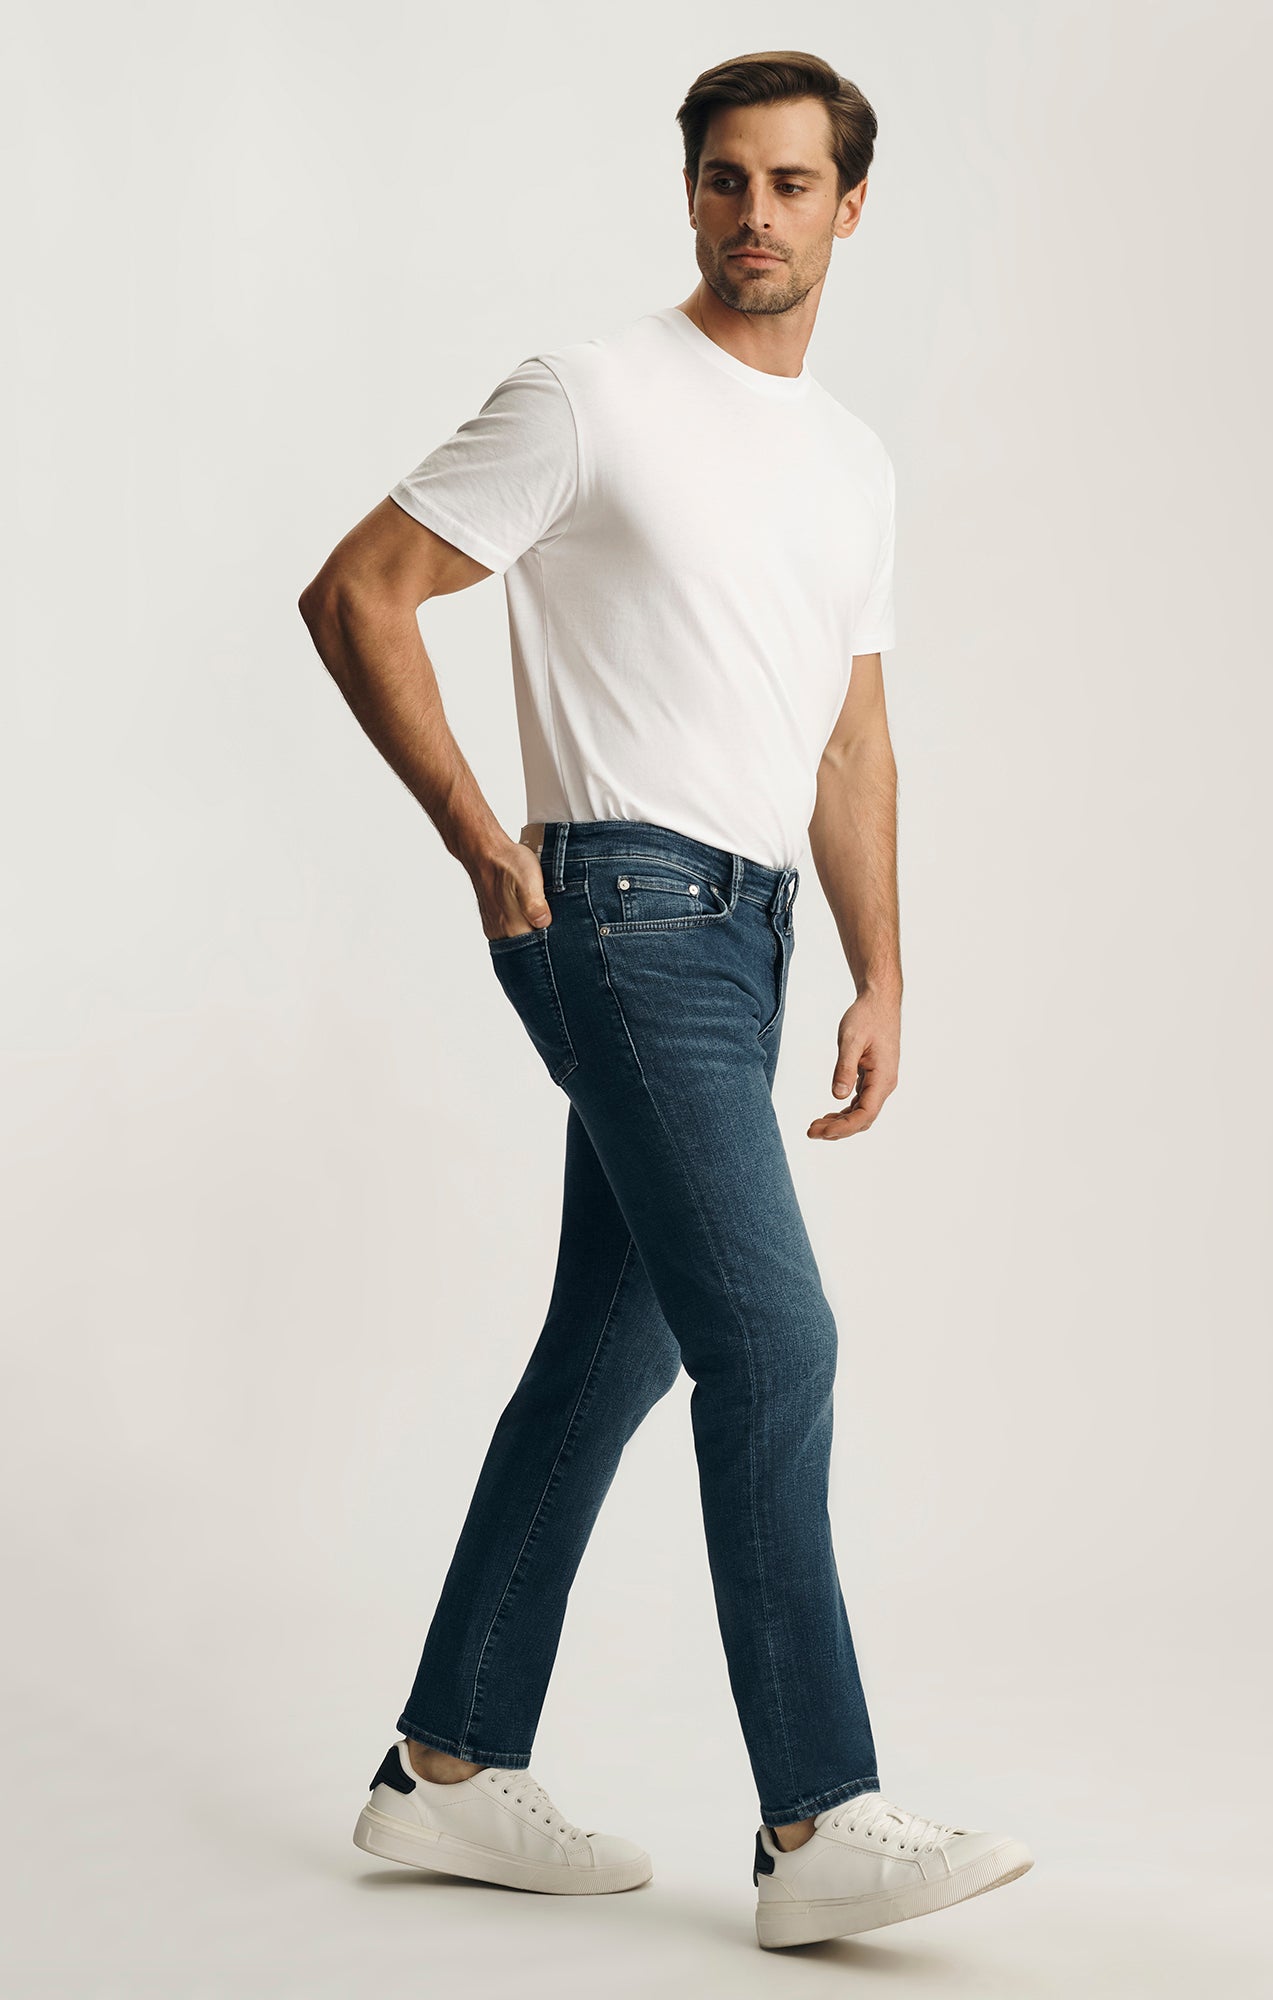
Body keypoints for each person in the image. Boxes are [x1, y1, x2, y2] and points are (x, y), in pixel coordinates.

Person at [298, 49, 1033, 1949]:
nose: (752, 214)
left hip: (751, 932)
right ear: (688, 191)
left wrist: (881, 970)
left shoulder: (849, 461)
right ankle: (817, 1820)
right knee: (773, 1345)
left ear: (849, 207)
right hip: (618, 904)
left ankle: (446, 1768)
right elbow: (360, 590)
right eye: (724, 179)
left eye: (790, 184)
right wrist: (480, 837)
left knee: (613, 1348)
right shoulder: (591, 394)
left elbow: (850, 739)